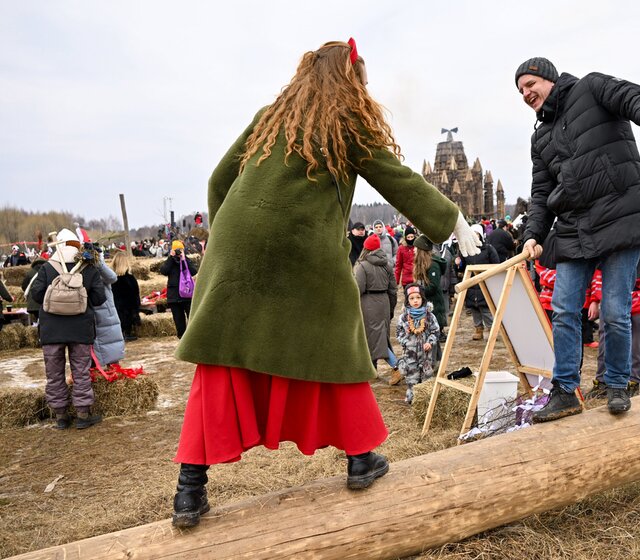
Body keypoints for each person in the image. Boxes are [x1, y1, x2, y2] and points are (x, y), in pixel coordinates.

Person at [168, 39, 479, 528]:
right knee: (337, 343)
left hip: (234, 246)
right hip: (303, 246)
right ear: (348, 80)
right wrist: (452, 219)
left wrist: (236, 234)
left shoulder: (270, 116)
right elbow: (395, 177)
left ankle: (189, 490)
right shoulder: (346, 119)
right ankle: (360, 458)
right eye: (363, 80)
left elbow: (216, 181)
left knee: (222, 357)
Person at [515, 56, 640, 419]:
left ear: (548, 79)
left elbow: (630, 95)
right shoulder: (541, 137)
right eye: (520, 90)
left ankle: (617, 385)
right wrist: (532, 233)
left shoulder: (592, 86)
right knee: (565, 310)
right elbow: (541, 192)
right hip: (574, 227)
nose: (526, 94)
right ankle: (565, 390)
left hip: (619, 217)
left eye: (530, 85)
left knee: (616, 311)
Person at [29, 228, 107, 430]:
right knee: (80, 371)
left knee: (54, 373)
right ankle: (82, 414)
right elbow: (99, 299)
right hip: (80, 329)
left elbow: (36, 294)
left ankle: (61, 416)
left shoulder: (47, 267)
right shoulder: (88, 268)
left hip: (51, 331)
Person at [584, 245, 640, 399]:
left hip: (637, 306)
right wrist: (597, 299)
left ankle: (633, 382)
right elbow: (599, 275)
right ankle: (602, 381)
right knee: (604, 344)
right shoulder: (611, 245)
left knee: (636, 347)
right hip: (610, 303)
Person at [353, 234, 398, 375]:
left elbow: (358, 289)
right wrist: (390, 308)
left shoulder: (362, 266)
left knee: (374, 339)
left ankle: (397, 366)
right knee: (378, 337)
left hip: (368, 304)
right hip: (384, 302)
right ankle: (372, 370)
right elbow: (393, 290)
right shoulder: (387, 265)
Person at [395, 283, 440, 404]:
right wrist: (406, 341)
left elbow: (435, 332)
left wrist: (430, 342)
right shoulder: (404, 317)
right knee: (411, 377)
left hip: (426, 355)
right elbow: (398, 332)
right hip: (410, 354)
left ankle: (426, 402)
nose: (415, 301)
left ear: (423, 298)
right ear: (407, 300)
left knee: (427, 377)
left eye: (418, 297)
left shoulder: (429, 316)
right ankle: (412, 400)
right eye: (412, 298)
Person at [460, 224, 500, 340]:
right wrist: (458, 263)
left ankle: (492, 329)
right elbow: (462, 267)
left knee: (485, 308)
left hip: (485, 282)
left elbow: (496, 265)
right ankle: (478, 329)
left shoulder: (488, 248)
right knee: (474, 308)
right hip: (471, 283)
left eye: (476, 234)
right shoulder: (466, 249)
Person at [89, 245, 125, 367]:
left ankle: (112, 375)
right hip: (92, 314)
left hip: (106, 314)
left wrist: (98, 261)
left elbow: (112, 277)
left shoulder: (101, 268)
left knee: (111, 347)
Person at [160, 240, 197, 339]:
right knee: (179, 323)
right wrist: (171, 258)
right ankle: (182, 340)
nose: (178, 252)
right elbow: (163, 271)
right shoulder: (169, 261)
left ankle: (192, 339)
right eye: (176, 250)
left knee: (192, 319)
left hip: (187, 295)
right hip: (174, 297)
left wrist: (184, 259)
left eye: (180, 250)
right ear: (172, 250)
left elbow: (194, 271)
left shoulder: (186, 260)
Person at [110, 250, 141, 341]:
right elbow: (136, 295)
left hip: (115, 308)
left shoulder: (111, 279)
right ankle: (127, 332)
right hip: (128, 310)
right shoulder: (130, 279)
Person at [21, 257, 47, 325]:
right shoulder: (47, 271)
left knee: (36, 320)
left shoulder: (30, 272)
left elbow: (24, 286)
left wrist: (30, 293)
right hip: (43, 302)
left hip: (32, 303)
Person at [395, 226, 417, 291]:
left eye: (412, 237)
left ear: (414, 236)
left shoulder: (418, 247)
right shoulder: (401, 248)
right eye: (408, 237)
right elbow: (398, 265)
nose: (410, 239)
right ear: (405, 237)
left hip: (417, 278)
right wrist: (396, 281)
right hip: (406, 280)